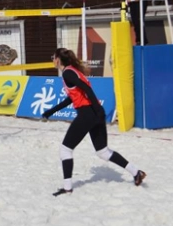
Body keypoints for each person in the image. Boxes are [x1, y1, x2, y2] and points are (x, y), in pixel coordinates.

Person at [43, 48, 146, 196]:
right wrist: (51, 111)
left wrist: (97, 110)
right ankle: (136, 172)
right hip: (95, 113)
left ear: (58, 59)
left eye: (53, 56)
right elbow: (73, 97)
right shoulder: (72, 71)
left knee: (65, 149)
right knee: (103, 151)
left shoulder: (67, 72)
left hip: (88, 113)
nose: (52, 59)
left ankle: (67, 188)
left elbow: (86, 89)